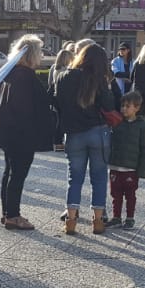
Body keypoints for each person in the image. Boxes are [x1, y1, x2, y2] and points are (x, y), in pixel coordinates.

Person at [53, 41, 115, 235]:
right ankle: (97, 221)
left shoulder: (63, 77)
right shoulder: (98, 80)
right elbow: (109, 105)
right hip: (98, 132)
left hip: (74, 133)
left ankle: (70, 220)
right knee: (99, 177)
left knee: (75, 178)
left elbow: (56, 103)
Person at [0, 35, 52, 231]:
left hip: (9, 131)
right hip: (21, 133)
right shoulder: (24, 76)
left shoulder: (11, 73)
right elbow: (25, 108)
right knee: (17, 174)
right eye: (40, 52)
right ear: (33, 55)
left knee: (9, 172)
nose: (42, 56)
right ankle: (13, 215)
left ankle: (7, 212)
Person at [106, 91, 145, 229]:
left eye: (127, 106)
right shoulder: (117, 122)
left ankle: (130, 218)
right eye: (122, 106)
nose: (124, 109)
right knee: (115, 194)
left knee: (130, 195)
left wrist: (142, 170)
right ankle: (116, 217)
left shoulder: (142, 126)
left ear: (136, 108)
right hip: (115, 166)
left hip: (131, 169)